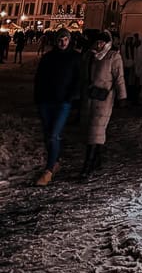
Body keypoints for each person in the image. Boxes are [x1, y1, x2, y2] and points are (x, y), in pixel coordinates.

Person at [32, 26, 81, 186]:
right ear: (56, 40)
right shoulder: (47, 57)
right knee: (48, 135)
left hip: (62, 103)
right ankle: (56, 160)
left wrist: (71, 97)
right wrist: (38, 98)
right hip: (46, 101)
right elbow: (39, 79)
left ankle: (48, 171)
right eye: (60, 39)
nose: (63, 42)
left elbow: (79, 79)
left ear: (69, 40)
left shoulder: (75, 57)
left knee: (53, 135)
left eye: (65, 39)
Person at [80, 30, 126, 182]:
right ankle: (97, 159)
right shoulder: (90, 56)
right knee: (90, 129)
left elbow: (119, 78)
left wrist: (122, 96)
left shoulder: (113, 56)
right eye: (97, 42)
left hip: (104, 98)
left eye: (102, 42)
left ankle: (87, 166)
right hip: (90, 97)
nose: (99, 44)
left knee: (96, 130)